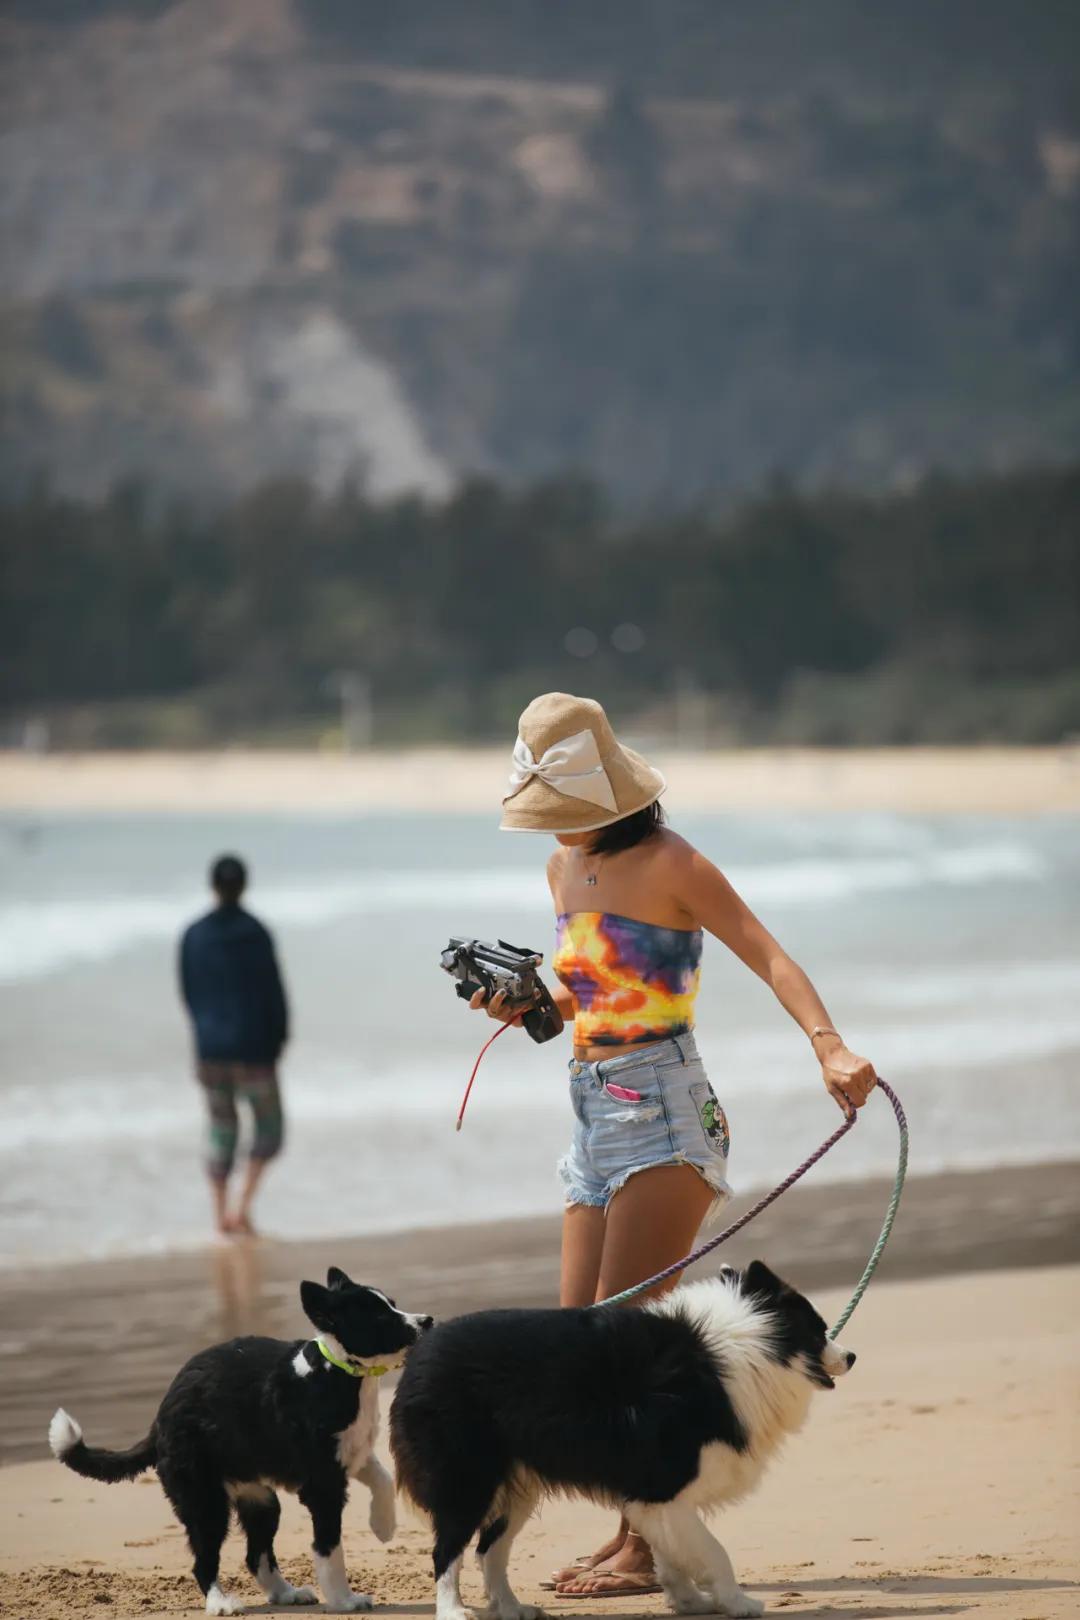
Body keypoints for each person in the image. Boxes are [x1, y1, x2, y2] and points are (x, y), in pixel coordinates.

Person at [474, 692, 877, 1598]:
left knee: (630, 1344)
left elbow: (767, 953)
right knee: (578, 1342)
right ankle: (637, 1528)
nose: (559, 826)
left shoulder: (674, 862)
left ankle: (647, 1545)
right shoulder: (561, 868)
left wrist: (830, 1045)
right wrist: (530, 1007)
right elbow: (594, 995)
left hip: (664, 1110)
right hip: (589, 1109)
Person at [179, 855, 289, 1238]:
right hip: (255, 1051)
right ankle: (241, 1208)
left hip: (211, 1052)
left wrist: (203, 1036)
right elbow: (274, 995)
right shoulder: (256, 932)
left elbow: (189, 994)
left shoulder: (193, 934)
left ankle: (219, 1215)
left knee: (221, 1131)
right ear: (244, 885)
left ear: (213, 886)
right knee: (269, 1131)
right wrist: (279, 1040)